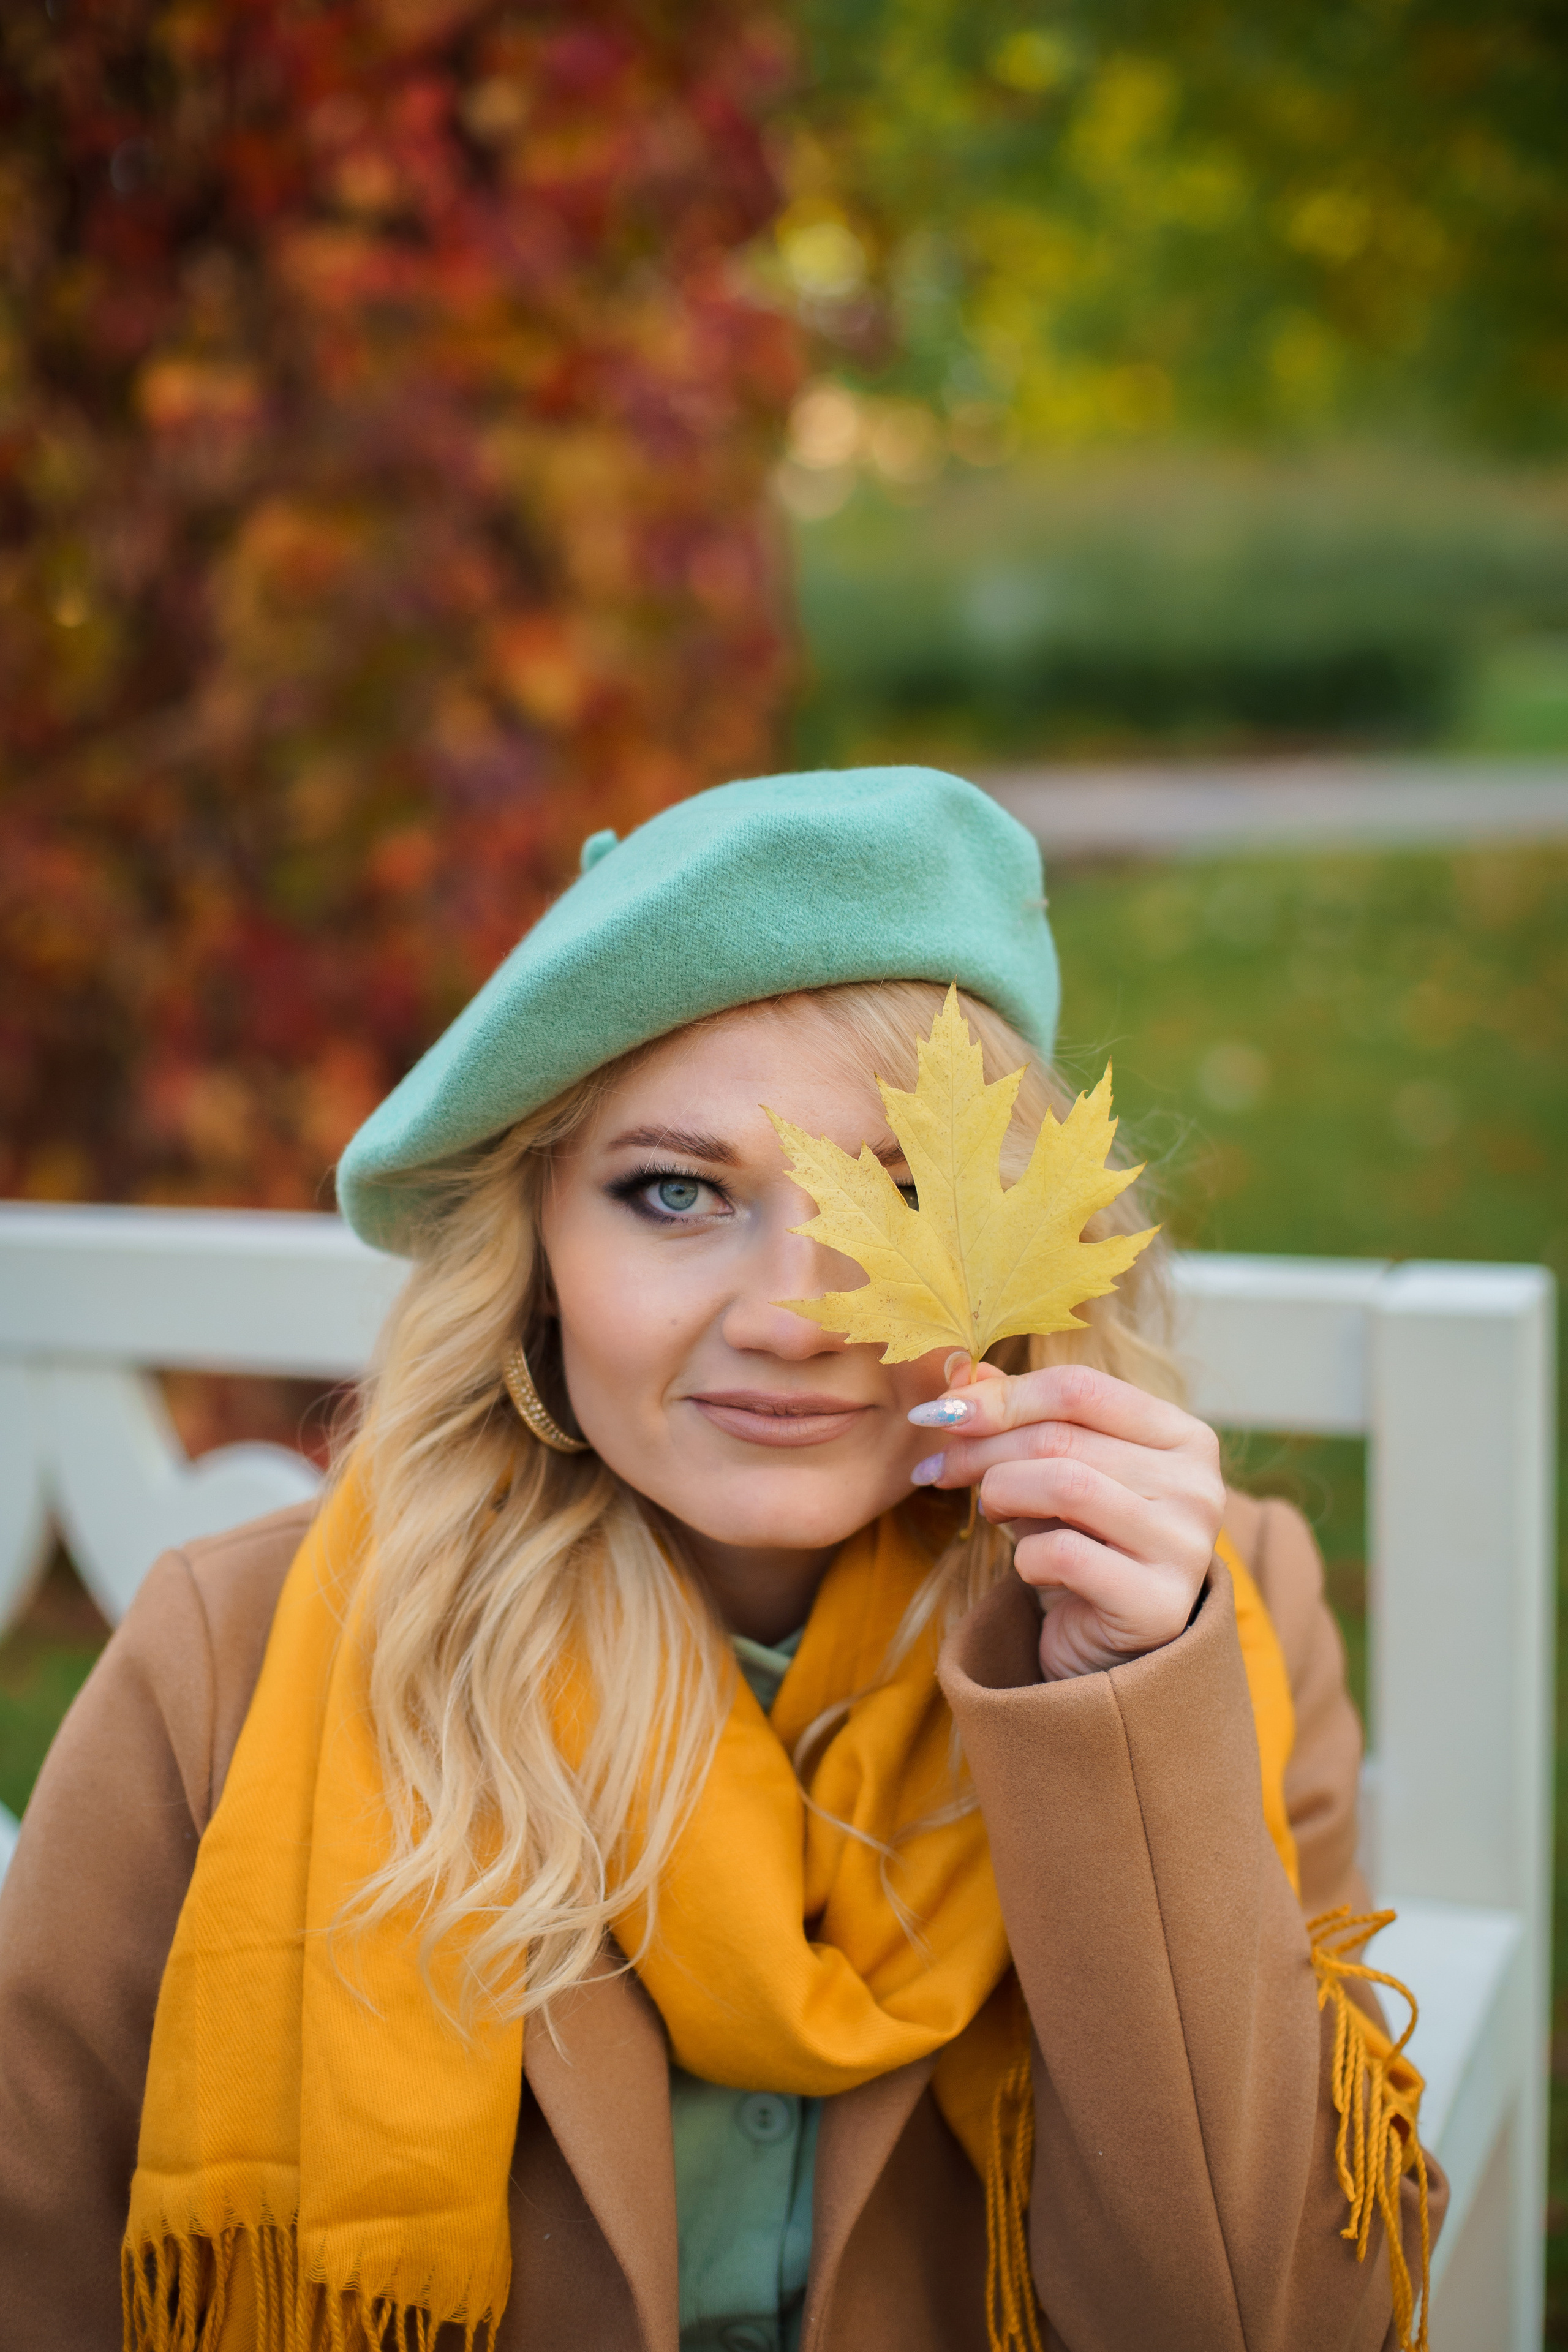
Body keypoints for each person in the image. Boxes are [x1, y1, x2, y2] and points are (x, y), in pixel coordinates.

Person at [0, 767, 1439, 2352]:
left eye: (900, 1199)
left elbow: (1269, 2321)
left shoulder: (1211, 1619)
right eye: (676, 1194)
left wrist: (1118, 1723)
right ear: (534, 1247)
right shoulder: (236, 1656)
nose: (795, 1311)